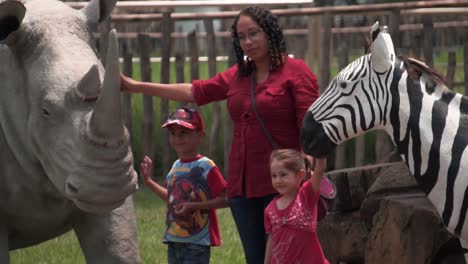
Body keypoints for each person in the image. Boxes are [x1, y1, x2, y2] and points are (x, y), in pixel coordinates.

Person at [121, 6, 319, 263]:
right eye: (241, 36)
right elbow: (194, 91)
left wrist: (308, 169)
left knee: (290, 258)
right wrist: (135, 86)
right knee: (257, 258)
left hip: (283, 185)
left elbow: (311, 129)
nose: (247, 42)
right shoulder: (238, 75)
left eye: (253, 33)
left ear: (270, 32)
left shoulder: (296, 71)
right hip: (243, 190)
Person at [139, 107, 229, 264]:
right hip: (174, 240)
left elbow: (227, 199)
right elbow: (171, 198)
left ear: (200, 135)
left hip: (197, 243)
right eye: (173, 134)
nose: (177, 138)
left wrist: (194, 206)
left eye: (184, 133)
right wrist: (149, 182)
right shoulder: (176, 166)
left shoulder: (206, 166)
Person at [264, 149, 329, 264]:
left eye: (283, 175)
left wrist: (321, 148)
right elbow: (271, 239)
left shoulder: (307, 196)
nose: (278, 180)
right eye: (274, 176)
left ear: (300, 175)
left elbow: (320, 170)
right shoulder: (269, 209)